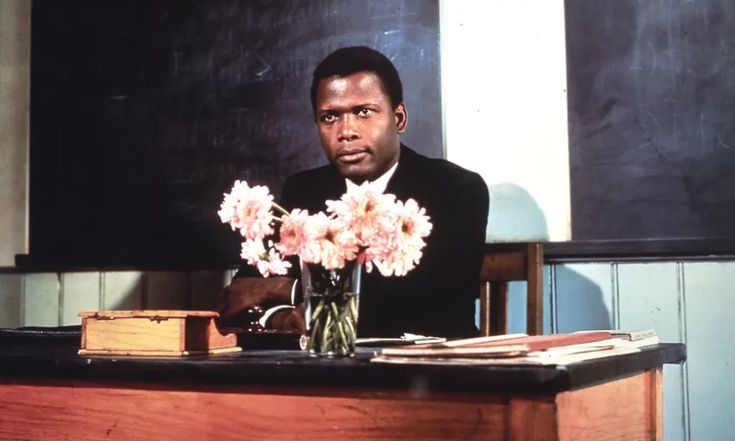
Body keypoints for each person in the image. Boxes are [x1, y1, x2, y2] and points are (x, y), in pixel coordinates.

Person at [216, 46, 489, 338]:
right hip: (327, 372)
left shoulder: (455, 188)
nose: (346, 131)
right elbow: (243, 293)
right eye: (330, 117)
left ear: (399, 118)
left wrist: (292, 288)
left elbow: (434, 301)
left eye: (363, 112)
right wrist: (277, 315)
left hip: (431, 373)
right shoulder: (303, 190)